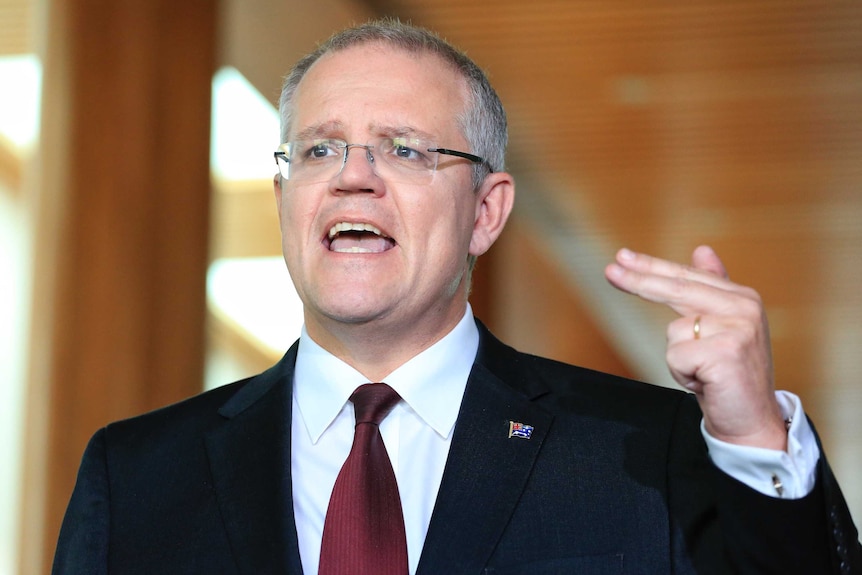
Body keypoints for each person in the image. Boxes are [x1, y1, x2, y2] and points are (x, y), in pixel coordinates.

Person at [53, 18, 860, 575]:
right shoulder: (135, 477)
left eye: (404, 149)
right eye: (319, 148)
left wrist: (754, 430)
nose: (353, 175)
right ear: (283, 193)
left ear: (486, 211)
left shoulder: (648, 453)